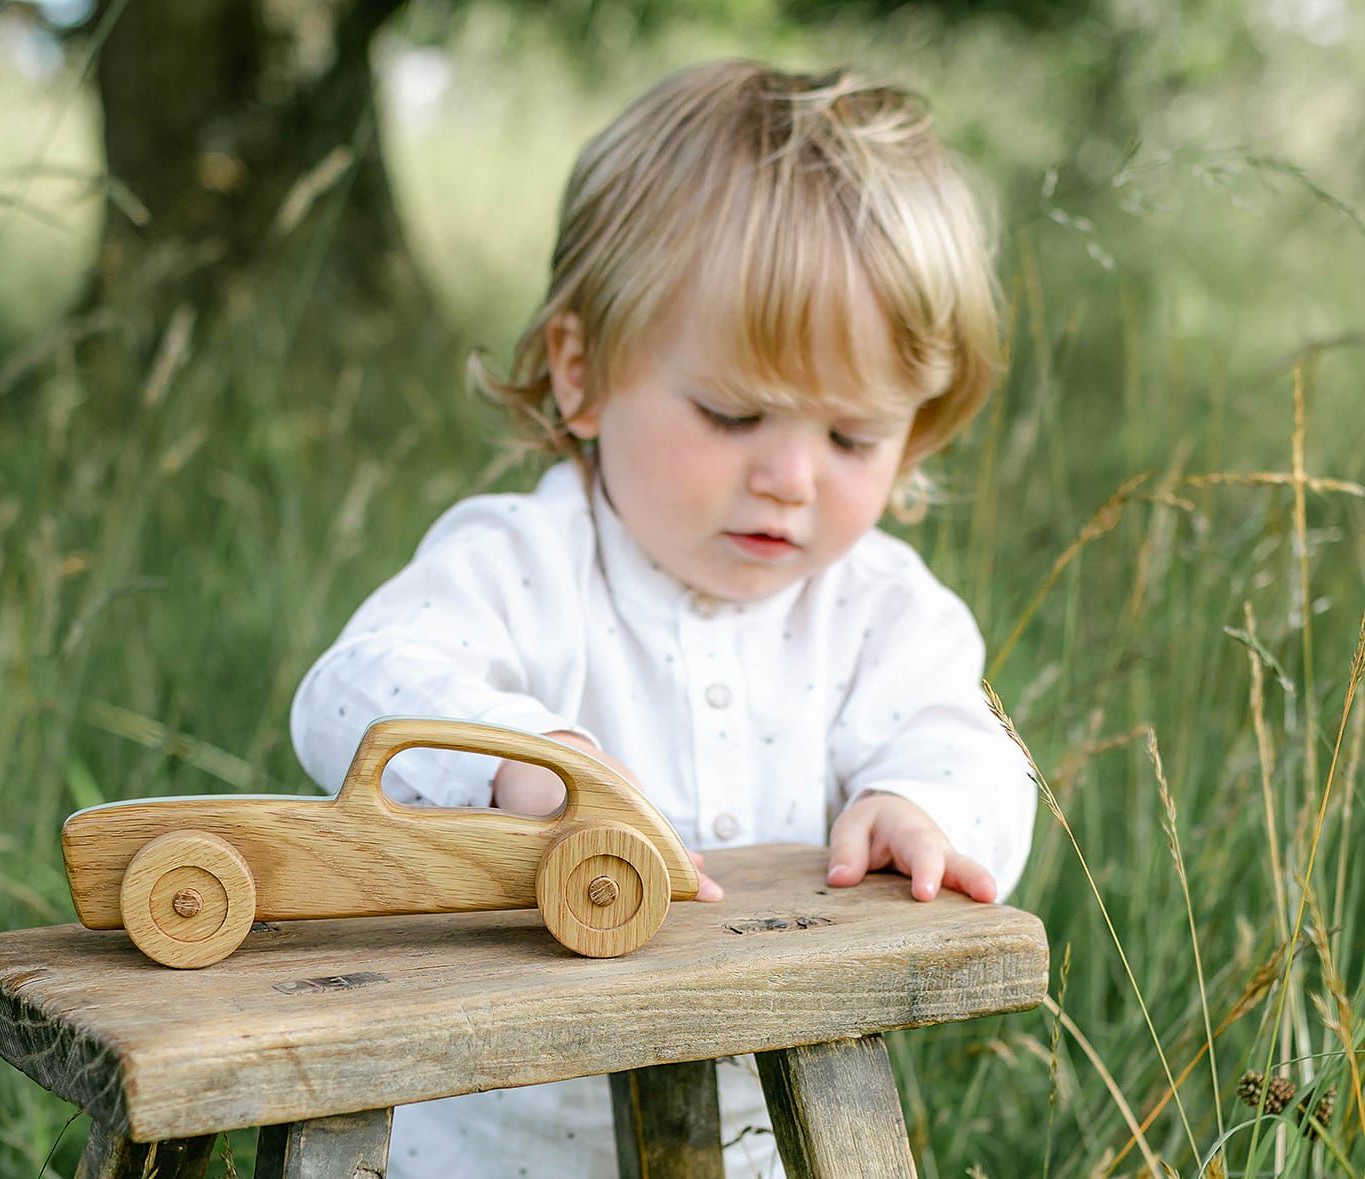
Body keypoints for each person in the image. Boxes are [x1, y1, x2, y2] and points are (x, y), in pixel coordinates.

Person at [290, 58, 1035, 1179]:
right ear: (581, 372)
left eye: (851, 437)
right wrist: (511, 756)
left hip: (767, 1144)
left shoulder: (880, 608)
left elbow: (972, 744)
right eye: (733, 412)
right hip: (488, 1139)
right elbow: (351, 689)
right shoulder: (527, 562)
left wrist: (918, 801)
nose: (790, 476)